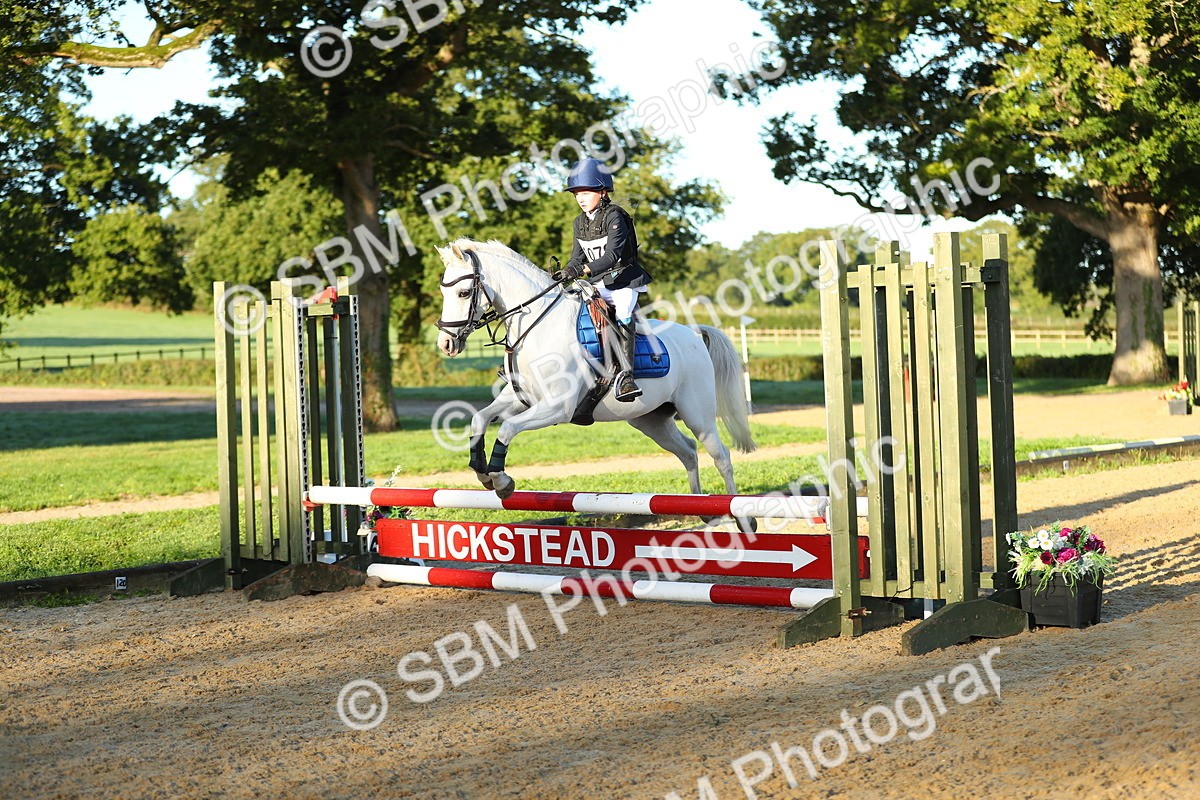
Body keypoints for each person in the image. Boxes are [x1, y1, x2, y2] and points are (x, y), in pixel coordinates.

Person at [554, 157, 652, 401]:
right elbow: (576, 258)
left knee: (623, 314)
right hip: (598, 284)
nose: (580, 198)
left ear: (603, 192)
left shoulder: (615, 216)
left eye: (586, 192)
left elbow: (611, 256)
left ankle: (627, 377)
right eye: (576, 193)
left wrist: (582, 270)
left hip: (624, 281)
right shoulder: (579, 222)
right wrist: (564, 272)